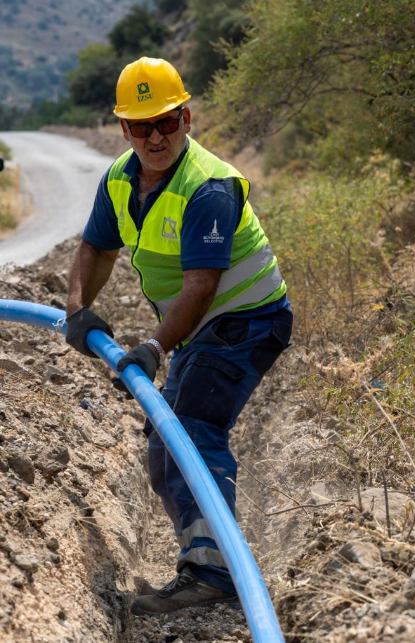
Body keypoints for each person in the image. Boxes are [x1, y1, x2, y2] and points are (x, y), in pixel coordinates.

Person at [65, 57, 292, 617]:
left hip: (247, 320)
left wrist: (154, 348)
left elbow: (201, 287)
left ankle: (215, 573)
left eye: (165, 121)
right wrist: (77, 311)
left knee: (190, 428)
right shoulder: (120, 178)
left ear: (186, 119)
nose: (155, 136)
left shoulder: (208, 188)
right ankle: (206, 558)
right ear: (124, 130)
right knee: (164, 440)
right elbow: (95, 248)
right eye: (141, 126)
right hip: (206, 329)